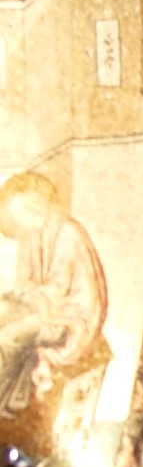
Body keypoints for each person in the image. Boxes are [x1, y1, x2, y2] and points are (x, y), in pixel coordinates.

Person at [0, 173, 107, 415]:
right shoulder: (32, 235)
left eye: (17, 218)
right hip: (44, 309)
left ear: (34, 206)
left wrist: (28, 296)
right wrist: (15, 296)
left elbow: (58, 289)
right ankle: (13, 400)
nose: (17, 227)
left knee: (9, 337)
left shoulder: (67, 233)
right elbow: (25, 281)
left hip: (70, 318)